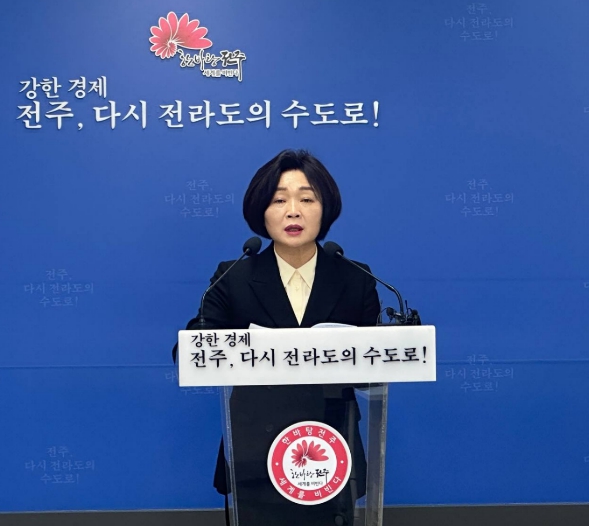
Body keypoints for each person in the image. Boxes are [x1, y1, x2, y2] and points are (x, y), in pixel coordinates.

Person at [177, 149, 380, 526]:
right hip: (255, 454)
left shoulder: (355, 278)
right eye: (279, 200)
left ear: (326, 208)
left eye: (307, 199)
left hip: (330, 451)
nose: (293, 212)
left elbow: (374, 371)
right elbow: (190, 353)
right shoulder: (234, 277)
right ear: (261, 210)